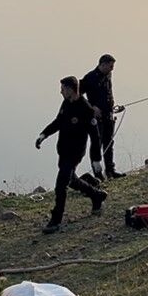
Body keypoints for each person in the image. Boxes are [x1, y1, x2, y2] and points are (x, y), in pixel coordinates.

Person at [35, 76, 108, 234]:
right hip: (63, 150)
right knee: (72, 180)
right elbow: (58, 122)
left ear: (70, 89)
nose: (60, 91)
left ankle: (56, 220)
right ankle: (96, 195)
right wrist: (43, 135)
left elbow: (95, 137)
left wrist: (96, 160)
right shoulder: (66, 103)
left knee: (61, 184)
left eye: (63, 88)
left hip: (75, 153)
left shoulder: (86, 109)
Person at [80, 54, 125, 180]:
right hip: (96, 118)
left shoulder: (108, 76)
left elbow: (107, 94)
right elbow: (77, 94)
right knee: (96, 144)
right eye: (110, 66)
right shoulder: (90, 77)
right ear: (103, 64)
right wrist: (91, 108)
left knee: (109, 143)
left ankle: (110, 171)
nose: (112, 69)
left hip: (108, 115)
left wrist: (114, 107)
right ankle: (97, 174)